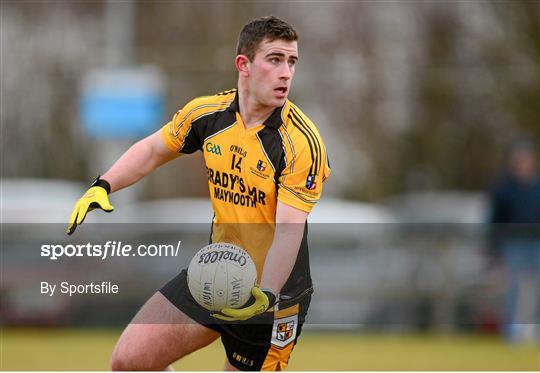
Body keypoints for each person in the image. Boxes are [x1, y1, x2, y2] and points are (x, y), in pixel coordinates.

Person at [66, 16, 330, 371]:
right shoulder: (207, 114)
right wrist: (104, 184)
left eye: (292, 61)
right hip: (216, 270)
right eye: (275, 59)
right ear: (244, 65)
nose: (286, 72)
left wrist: (265, 293)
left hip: (273, 297)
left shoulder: (300, 142)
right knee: (130, 361)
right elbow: (152, 151)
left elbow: (288, 230)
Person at [488, 139, 540, 343]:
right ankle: (512, 333)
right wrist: (494, 247)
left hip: (537, 242)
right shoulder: (504, 188)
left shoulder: (537, 186)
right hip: (513, 243)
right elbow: (495, 219)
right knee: (513, 289)